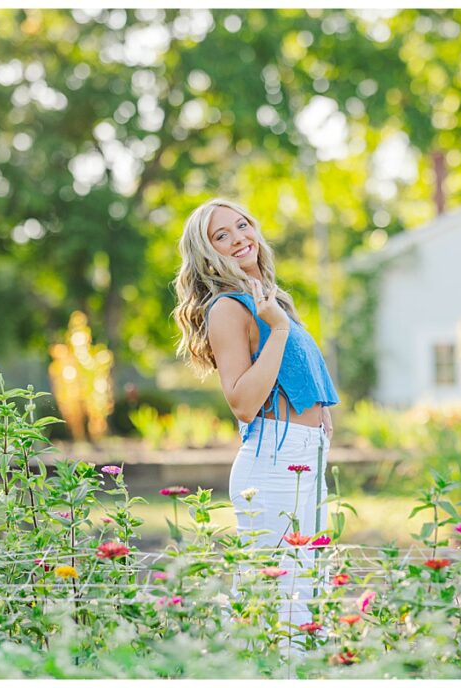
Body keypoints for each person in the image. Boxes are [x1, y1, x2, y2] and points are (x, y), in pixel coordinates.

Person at [171, 198, 340, 636]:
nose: (238, 238)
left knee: (307, 598)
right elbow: (242, 402)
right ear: (207, 254)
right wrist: (279, 330)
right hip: (275, 463)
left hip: (304, 457)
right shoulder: (229, 307)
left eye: (241, 225)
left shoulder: (266, 298)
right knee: (278, 601)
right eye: (220, 236)